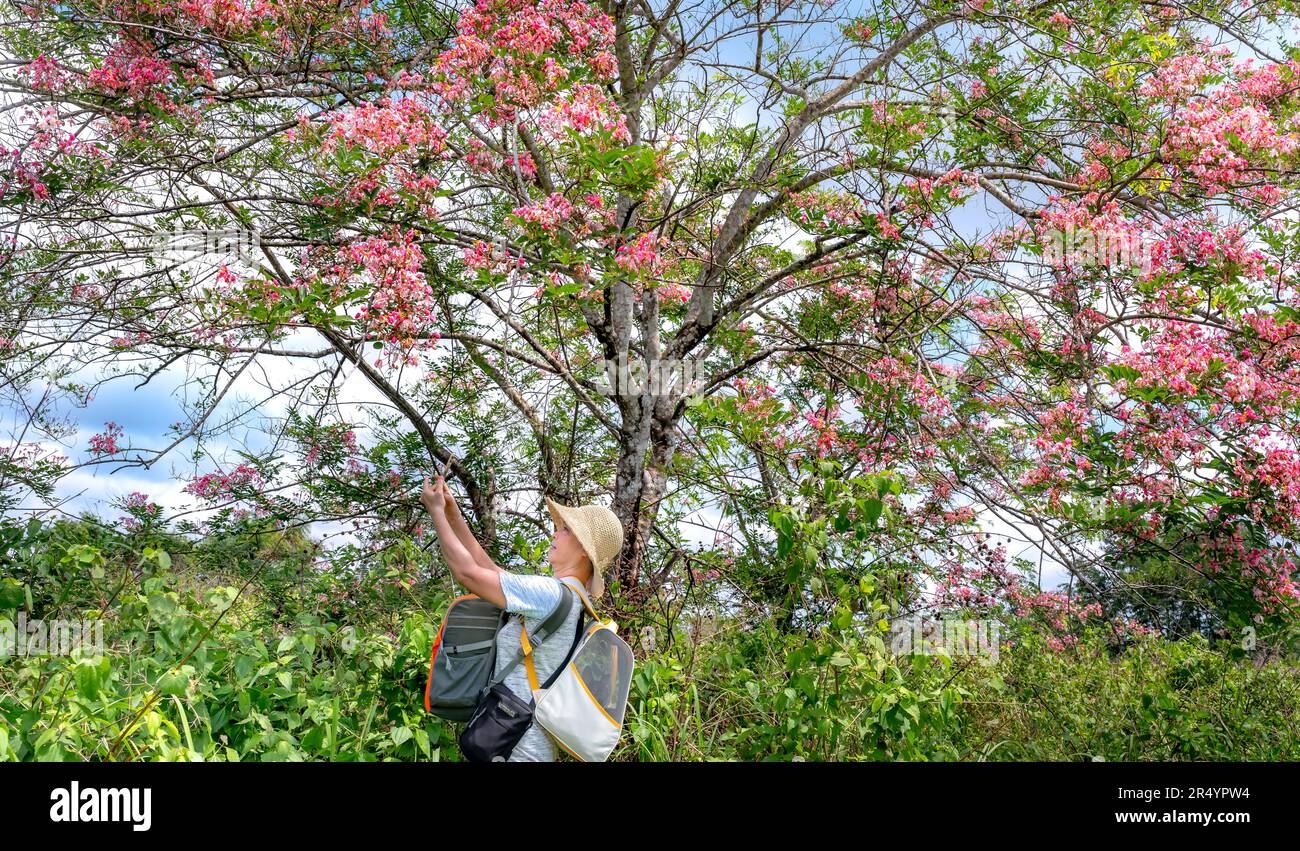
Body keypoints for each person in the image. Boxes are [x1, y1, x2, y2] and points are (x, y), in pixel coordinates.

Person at [420, 471, 624, 761]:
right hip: (525, 745)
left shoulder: (549, 593)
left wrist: (436, 512)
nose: (556, 533)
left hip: (515, 748)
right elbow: (490, 571)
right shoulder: (573, 602)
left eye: (565, 530)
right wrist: (453, 515)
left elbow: (468, 573)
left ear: (583, 551)